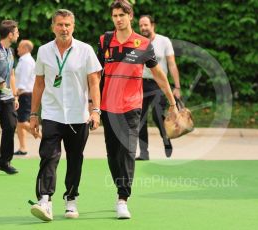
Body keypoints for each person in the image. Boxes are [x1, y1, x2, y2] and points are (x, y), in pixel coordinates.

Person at [97, 0, 178, 219]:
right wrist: (91, 104)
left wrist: (172, 102)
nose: (118, 19)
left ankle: (123, 198)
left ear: (130, 16)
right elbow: (95, 75)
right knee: (112, 153)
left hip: (132, 105)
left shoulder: (142, 43)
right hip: (107, 106)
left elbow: (159, 74)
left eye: (122, 15)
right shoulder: (105, 41)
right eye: (114, 16)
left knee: (128, 150)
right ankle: (119, 188)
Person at [29, 9, 102, 222]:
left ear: (73, 26)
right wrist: (34, 113)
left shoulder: (86, 50)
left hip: (79, 115)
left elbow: (94, 82)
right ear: (53, 27)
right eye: (60, 24)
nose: (64, 29)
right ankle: (45, 200)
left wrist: (95, 110)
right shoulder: (43, 51)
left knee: (75, 160)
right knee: (48, 157)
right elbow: (39, 83)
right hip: (52, 113)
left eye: (68, 24)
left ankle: (71, 199)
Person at [136, 15, 181, 160]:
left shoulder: (164, 41)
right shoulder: (137, 42)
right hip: (141, 84)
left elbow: (172, 64)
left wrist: (177, 86)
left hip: (159, 84)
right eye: (141, 25)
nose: (143, 28)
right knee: (140, 119)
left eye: (146, 25)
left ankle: (166, 139)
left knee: (157, 115)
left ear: (152, 25)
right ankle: (144, 153)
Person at [0, 20, 19, 174]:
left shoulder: (10, 52)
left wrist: (15, 95)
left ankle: (4, 161)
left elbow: (12, 74)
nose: (18, 34)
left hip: (7, 98)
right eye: (17, 32)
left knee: (11, 126)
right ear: (10, 34)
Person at [14, 40, 38, 156]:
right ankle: (23, 148)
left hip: (25, 94)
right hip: (24, 93)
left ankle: (44, 138)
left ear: (25, 48)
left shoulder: (26, 61)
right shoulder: (23, 60)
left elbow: (23, 81)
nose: (17, 49)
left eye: (19, 47)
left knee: (22, 122)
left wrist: (16, 95)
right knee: (19, 122)